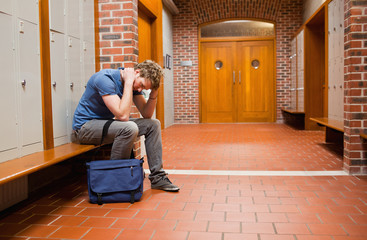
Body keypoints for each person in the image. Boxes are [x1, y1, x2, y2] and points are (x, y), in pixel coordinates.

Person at [72, 60, 179, 192]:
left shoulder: (133, 84)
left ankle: (158, 178)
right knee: (129, 127)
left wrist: (154, 93)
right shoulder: (105, 79)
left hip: (105, 125)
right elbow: (123, 116)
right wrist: (129, 83)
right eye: (141, 85)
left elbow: (146, 114)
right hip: (85, 128)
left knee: (153, 124)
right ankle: (116, 179)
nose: (140, 90)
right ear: (137, 72)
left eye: (144, 89)